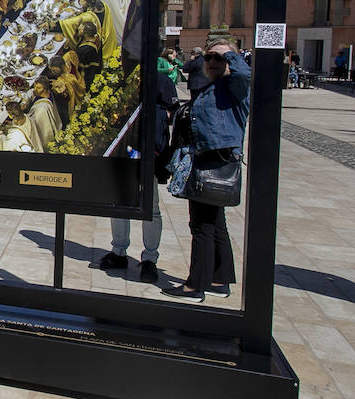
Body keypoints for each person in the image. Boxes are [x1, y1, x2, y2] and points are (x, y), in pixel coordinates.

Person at [163, 42, 250, 301]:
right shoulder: (212, 87)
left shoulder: (234, 86)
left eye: (219, 58)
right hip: (210, 159)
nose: (212, 61)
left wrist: (231, 54)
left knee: (201, 225)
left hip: (213, 161)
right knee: (215, 223)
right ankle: (219, 280)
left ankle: (194, 285)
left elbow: (245, 74)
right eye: (209, 57)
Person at [95, 70, 178, 284]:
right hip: (122, 152)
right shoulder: (124, 75)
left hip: (149, 155)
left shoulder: (160, 79)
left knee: (150, 208)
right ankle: (118, 251)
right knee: (118, 203)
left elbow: (171, 110)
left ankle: (150, 258)